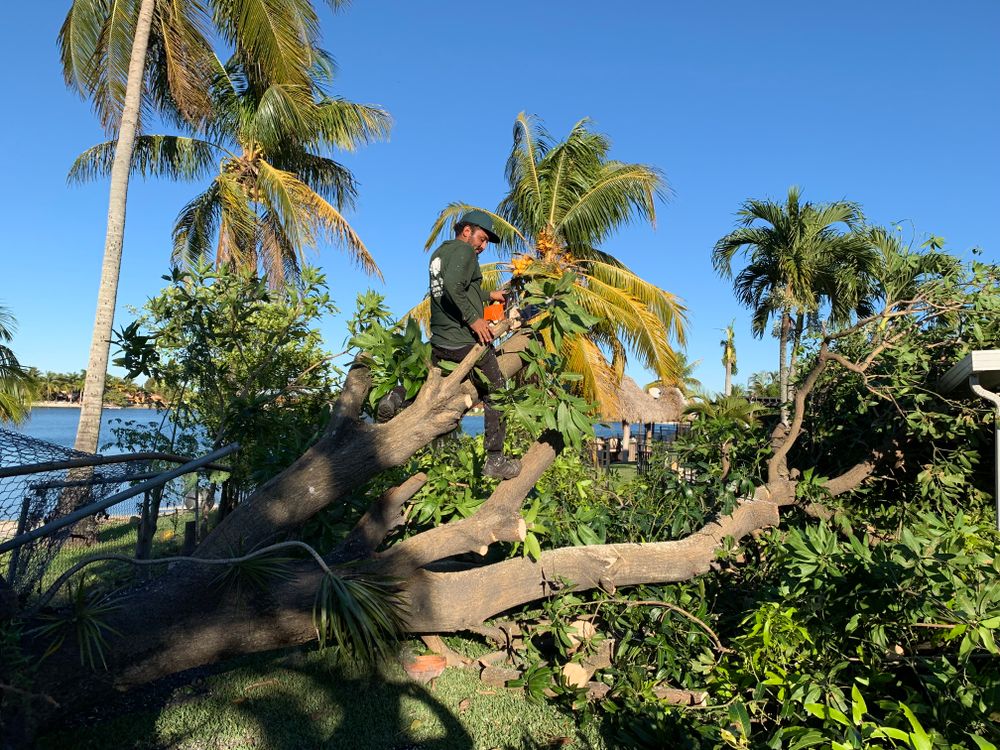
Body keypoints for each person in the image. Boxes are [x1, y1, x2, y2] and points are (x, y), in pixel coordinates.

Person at [380, 209, 521, 480]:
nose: (483, 246)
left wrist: (490, 294)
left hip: (442, 340)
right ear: (466, 231)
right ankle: (495, 459)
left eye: (486, 242)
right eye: (481, 238)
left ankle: (394, 397)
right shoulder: (465, 252)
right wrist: (474, 321)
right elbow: (454, 287)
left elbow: (460, 287)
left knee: (432, 375)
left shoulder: (440, 253)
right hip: (464, 340)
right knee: (498, 392)